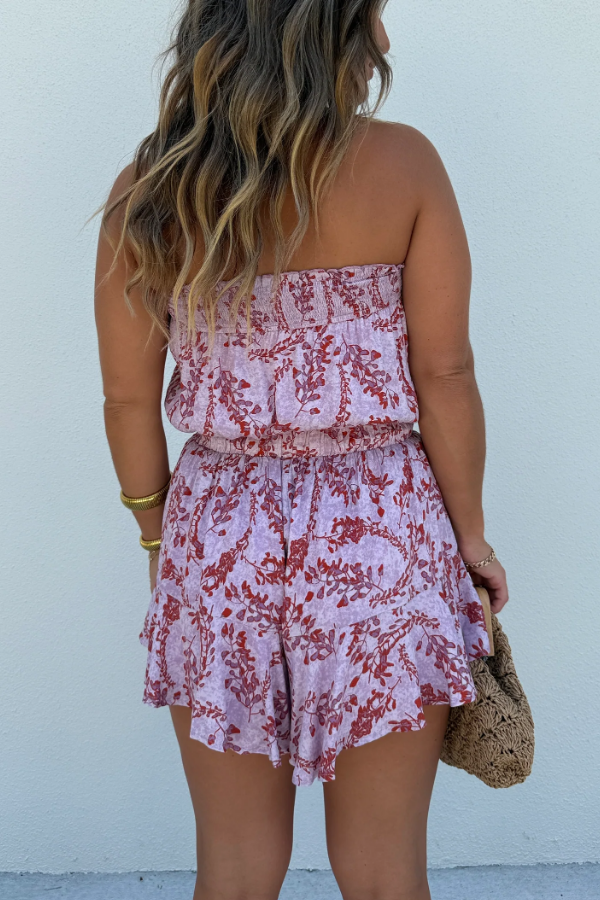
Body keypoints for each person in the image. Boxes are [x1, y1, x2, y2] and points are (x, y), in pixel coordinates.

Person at [94, 2, 509, 898]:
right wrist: (470, 539)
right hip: (381, 535)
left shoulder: (150, 190)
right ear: (323, 29)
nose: (385, 39)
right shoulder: (404, 165)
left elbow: (127, 399)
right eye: (373, 14)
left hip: (220, 542)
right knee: (385, 870)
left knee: (236, 867)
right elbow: (446, 372)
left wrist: (158, 537)